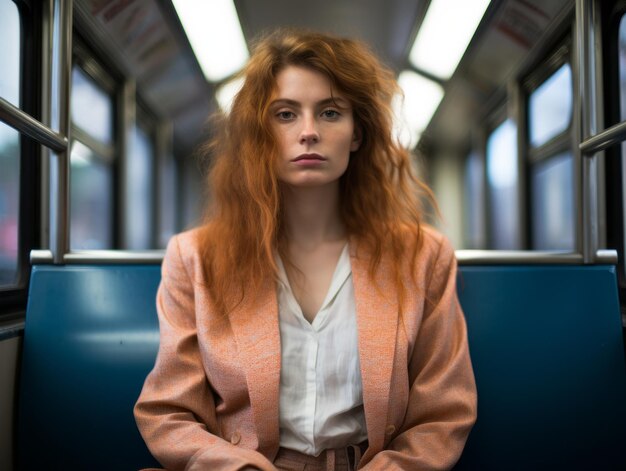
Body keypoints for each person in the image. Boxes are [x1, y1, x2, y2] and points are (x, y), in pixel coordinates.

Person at [134, 29, 477, 471]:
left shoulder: (422, 255)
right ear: (260, 132)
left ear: (357, 134)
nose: (309, 132)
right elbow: (168, 412)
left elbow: (442, 414)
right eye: (285, 114)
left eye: (331, 112)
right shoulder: (195, 258)